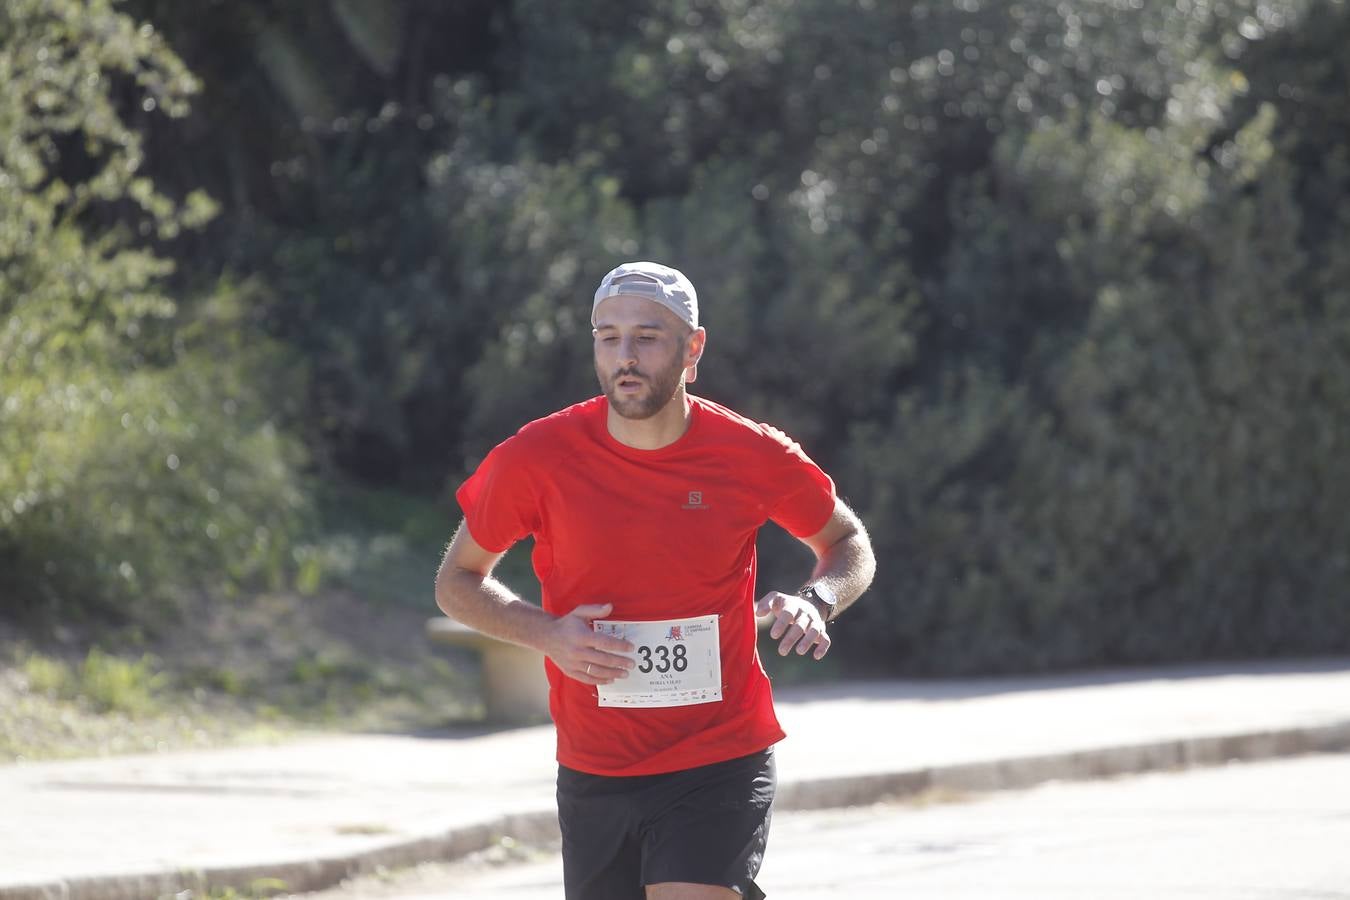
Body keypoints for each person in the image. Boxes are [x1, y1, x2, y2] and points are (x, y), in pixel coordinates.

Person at [435, 261, 876, 900]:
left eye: (647, 337)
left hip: (719, 754)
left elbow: (847, 542)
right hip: (595, 765)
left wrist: (818, 599)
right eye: (608, 337)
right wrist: (549, 635)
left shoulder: (750, 453)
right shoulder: (538, 456)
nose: (625, 356)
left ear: (693, 350)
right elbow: (457, 581)